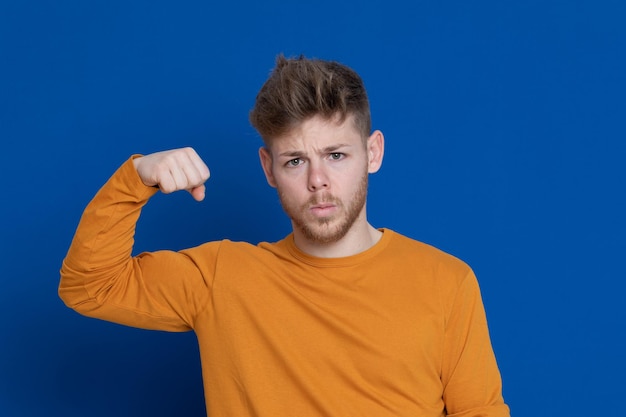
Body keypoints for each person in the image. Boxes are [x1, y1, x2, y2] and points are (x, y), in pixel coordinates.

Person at [59, 54, 510, 417]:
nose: (318, 180)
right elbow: (89, 286)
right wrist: (136, 178)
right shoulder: (221, 278)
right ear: (268, 168)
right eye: (295, 160)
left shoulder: (447, 282)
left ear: (372, 153)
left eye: (336, 155)